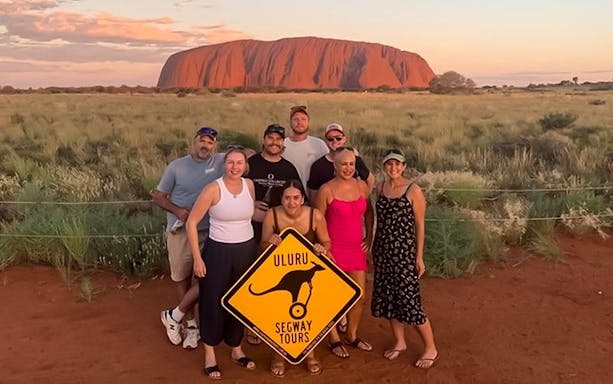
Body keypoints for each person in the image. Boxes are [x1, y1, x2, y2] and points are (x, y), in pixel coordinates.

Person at [186, 147, 258, 380]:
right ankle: (210, 354)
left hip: (246, 250)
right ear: (224, 164)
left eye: (239, 163)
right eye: (230, 163)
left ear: (245, 165)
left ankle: (236, 348)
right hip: (218, 251)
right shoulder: (213, 189)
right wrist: (198, 258)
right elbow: (191, 222)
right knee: (212, 300)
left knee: (240, 300)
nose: (235, 167)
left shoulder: (249, 186)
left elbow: (248, 215)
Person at [153, 126, 224, 349]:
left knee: (207, 277)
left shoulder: (221, 161)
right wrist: (176, 210)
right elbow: (158, 196)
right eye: (202, 141)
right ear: (194, 141)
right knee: (182, 276)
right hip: (181, 230)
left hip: (211, 230)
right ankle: (191, 324)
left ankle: (174, 315)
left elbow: (245, 155)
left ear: (216, 146)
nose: (206, 146)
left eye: (210, 142)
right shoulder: (177, 166)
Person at [371, 149, 439, 369]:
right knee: (390, 298)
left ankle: (430, 347)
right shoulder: (380, 188)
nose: (393, 168)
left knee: (410, 301)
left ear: (404, 166)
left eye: (397, 165)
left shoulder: (413, 190)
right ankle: (399, 342)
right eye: (389, 164)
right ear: (384, 166)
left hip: (405, 254)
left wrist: (419, 257)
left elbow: (420, 225)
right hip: (383, 252)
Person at [260, 180, 331, 377]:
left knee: (310, 312)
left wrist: (322, 247)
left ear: (303, 199)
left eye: (296, 198)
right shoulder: (272, 215)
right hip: (282, 273)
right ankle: (278, 355)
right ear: (281, 199)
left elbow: (326, 241)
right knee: (281, 314)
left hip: (306, 274)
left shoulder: (314, 215)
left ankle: (310, 354)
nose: (292, 202)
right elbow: (262, 245)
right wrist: (270, 242)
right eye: (287, 198)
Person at [315, 147, 374, 359]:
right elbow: (317, 220)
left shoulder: (361, 187)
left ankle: (351, 334)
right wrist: (322, 247)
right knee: (333, 298)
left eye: (351, 164)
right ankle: (334, 339)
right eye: (343, 164)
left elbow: (368, 212)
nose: (347, 168)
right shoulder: (326, 190)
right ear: (335, 165)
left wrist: (368, 238)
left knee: (359, 296)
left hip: (355, 248)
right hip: (333, 249)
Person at [247, 123, 301, 245]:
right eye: (270, 138)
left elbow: (300, 199)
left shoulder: (289, 168)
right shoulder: (250, 164)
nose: (274, 142)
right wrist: (250, 205)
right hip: (249, 229)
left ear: (283, 142)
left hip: (279, 231)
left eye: (278, 139)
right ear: (264, 140)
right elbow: (234, 191)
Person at [307, 122, 375, 203]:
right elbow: (313, 194)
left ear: (344, 139)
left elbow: (370, 179)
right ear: (325, 141)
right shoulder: (318, 166)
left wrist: (364, 200)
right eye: (330, 138)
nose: (335, 141)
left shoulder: (355, 160)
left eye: (338, 138)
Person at [281, 105, 329, 190]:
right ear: (290, 123)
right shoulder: (282, 144)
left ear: (308, 122)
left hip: (314, 194)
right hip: (290, 197)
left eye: (303, 119)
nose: (300, 123)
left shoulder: (319, 144)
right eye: (296, 120)